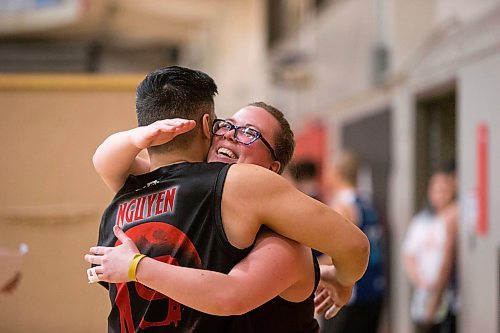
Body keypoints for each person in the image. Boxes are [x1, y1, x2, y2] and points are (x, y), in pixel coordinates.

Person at [85, 66, 369, 332]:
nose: (231, 136)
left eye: (249, 133)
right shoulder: (191, 186)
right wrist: (142, 136)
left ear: (272, 170)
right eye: (227, 125)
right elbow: (103, 161)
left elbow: (230, 294)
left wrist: (344, 281)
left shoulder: (248, 195)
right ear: (209, 128)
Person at [317, 151, 385, 333]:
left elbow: (338, 254)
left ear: (336, 173)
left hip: (350, 294)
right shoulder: (369, 202)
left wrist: (308, 268)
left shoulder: (341, 206)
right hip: (374, 290)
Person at [402, 170, 458, 333]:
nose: (441, 195)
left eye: (444, 190)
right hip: (424, 296)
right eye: (437, 190)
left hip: (448, 298)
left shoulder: (452, 220)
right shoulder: (420, 222)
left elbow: (447, 260)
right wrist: (420, 280)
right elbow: (408, 255)